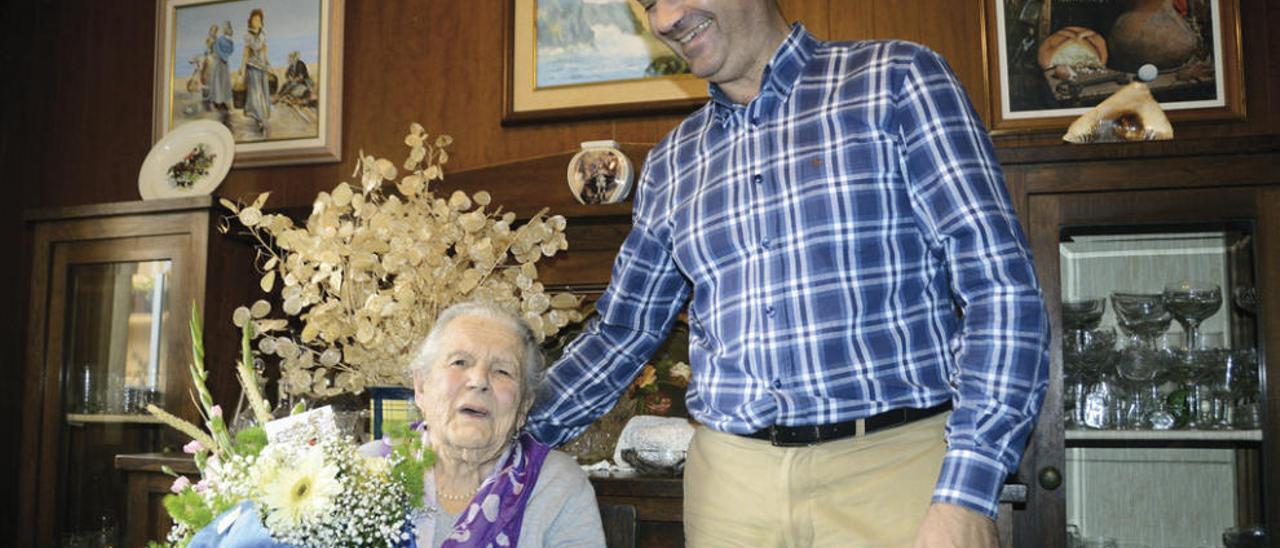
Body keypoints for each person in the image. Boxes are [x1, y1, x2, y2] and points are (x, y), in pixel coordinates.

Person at [525, 1, 1050, 547]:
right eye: (651, 3)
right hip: (728, 492)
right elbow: (621, 333)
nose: (665, 20)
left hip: (898, 477)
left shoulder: (898, 82)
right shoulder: (672, 163)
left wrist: (968, 492)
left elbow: (1000, 288)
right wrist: (506, 437)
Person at [409, 302, 606, 547]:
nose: (479, 380)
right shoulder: (368, 468)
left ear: (524, 405)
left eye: (502, 371)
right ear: (421, 386)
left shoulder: (556, 486)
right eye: (459, 362)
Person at [241, 9, 271, 136]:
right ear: (250, 21)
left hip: (262, 66)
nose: (256, 22)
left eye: (259, 20)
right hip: (252, 67)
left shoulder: (263, 33)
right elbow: (246, 52)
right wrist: (242, 67)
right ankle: (260, 119)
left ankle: (262, 116)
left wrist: (268, 63)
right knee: (255, 93)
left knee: (264, 93)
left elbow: (265, 49)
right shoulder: (248, 35)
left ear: (261, 22)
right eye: (254, 19)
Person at [205, 21, 234, 125]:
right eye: (212, 30)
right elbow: (208, 51)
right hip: (216, 62)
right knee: (217, 82)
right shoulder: (211, 40)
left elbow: (226, 50)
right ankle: (217, 101)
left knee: (222, 82)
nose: (214, 32)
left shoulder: (219, 40)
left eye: (215, 30)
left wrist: (221, 56)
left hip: (220, 63)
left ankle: (221, 101)